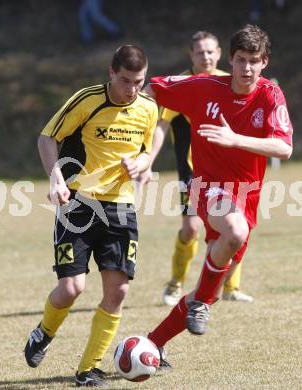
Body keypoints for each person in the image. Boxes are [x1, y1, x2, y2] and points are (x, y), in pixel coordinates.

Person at [144, 24, 292, 365]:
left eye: (254, 61)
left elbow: (284, 147)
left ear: (265, 61)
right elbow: (148, 89)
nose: (246, 69)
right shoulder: (203, 86)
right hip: (208, 187)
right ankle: (189, 303)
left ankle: (152, 343)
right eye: (240, 60)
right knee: (234, 232)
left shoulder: (270, 95)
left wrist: (235, 139)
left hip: (248, 197)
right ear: (230, 59)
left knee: (207, 293)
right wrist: (138, 148)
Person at [24, 45, 158, 388]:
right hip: (79, 204)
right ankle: (44, 331)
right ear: (111, 73)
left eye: (139, 82)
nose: (132, 90)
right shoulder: (87, 99)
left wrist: (140, 164)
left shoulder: (147, 109)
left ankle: (89, 369)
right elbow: (46, 138)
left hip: (121, 207)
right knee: (71, 289)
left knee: (119, 291)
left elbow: (145, 152)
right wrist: (55, 176)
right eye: (126, 81)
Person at [139, 31, 253, 306]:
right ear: (191, 55)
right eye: (200, 52)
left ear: (219, 54)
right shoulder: (184, 84)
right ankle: (176, 283)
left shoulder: (230, 81)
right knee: (191, 229)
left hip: (227, 171)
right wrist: (148, 161)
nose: (206, 57)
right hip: (193, 172)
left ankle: (231, 286)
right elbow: (162, 124)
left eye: (211, 51)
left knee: (238, 227)